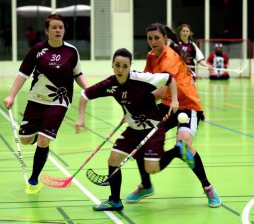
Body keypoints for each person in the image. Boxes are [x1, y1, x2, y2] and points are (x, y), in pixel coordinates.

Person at [75, 48, 195, 211]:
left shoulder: (141, 78)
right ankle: (115, 200)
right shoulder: (110, 84)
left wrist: (174, 100)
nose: (120, 70)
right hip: (133, 129)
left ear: (130, 66)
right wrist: (81, 118)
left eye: (125, 66)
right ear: (112, 65)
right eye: (117, 65)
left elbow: (169, 78)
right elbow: (85, 95)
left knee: (152, 169)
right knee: (113, 160)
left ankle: (177, 151)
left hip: (152, 127)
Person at [125, 23, 221, 208]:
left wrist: (138, 103)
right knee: (139, 136)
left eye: (157, 38)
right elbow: (147, 82)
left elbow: (160, 90)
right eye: (149, 38)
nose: (153, 42)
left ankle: (207, 187)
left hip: (187, 106)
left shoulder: (169, 57)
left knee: (184, 146)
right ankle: (146, 185)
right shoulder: (151, 56)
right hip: (168, 105)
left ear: (165, 38)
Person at [3, 14, 89, 194]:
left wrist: (88, 89)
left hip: (60, 100)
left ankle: (34, 179)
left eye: (61, 27)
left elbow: (77, 74)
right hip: (36, 99)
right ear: (47, 31)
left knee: (44, 140)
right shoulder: (38, 49)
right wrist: (11, 96)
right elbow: (23, 74)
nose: (58, 30)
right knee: (26, 140)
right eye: (54, 27)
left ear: (64, 30)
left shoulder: (71, 51)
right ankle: (38, 135)